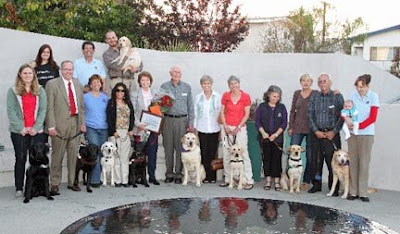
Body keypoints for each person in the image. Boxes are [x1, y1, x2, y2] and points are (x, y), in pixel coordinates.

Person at [6, 64, 47, 198]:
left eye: (30, 73)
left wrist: (35, 127)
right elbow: (11, 112)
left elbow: (42, 111)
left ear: (34, 75)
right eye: (25, 73)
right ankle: (19, 188)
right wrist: (21, 128)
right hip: (20, 132)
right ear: (20, 75)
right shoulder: (13, 91)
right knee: (21, 158)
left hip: (37, 131)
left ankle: (39, 188)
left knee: (38, 159)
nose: (27, 76)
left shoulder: (40, 90)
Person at [46, 60, 86, 194]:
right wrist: (51, 126)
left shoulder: (77, 84)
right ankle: (54, 183)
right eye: (65, 69)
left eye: (70, 69)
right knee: (57, 155)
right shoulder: (52, 84)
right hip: (59, 126)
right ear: (61, 70)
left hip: (75, 124)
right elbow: (49, 107)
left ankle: (72, 182)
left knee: (73, 155)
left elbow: (81, 107)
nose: (68, 72)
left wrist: (82, 124)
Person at [308, 73, 344, 194]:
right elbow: (310, 116)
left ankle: (333, 188)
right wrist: (316, 131)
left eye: (325, 81)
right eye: (320, 82)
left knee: (332, 162)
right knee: (316, 162)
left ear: (330, 82)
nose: (323, 84)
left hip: (332, 136)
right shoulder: (314, 97)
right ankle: (316, 184)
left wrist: (334, 131)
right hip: (317, 135)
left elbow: (342, 116)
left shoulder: (337, 97)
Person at [346, 74, 379, 202]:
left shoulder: (373, 96)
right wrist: (347, 120)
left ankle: (363, 192)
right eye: (358, 86)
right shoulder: (353, 96)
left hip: (366, 134)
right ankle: (353, 192)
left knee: (364, 163)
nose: (360, 89)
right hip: (352, 134)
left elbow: (372, 117)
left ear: (368, 86)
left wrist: (358, 126)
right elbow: (347, 111)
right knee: (353, 162)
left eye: (362, 86)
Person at [160, 65, 194, 184]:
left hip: (182, 121)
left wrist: (191, 124)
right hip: (168, 120)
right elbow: (159, 104)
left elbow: (191, 107)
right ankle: (169, 173)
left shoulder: (186, 87)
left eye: (178, 72)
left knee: (181, 148)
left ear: (181, 74)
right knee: (168, 147)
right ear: (170, 73)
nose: (176, 74)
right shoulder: (164, 86)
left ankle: (179, 174)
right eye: (174, 72)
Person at [219, 75, 254, 190]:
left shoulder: (245, 96)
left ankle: (249, 180)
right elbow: (222, 112)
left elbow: (247, 114)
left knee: (243, 153)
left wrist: (238, 127)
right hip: (226, 128)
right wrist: (225, 126)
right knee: (226, 152)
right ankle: (228, 179)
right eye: (231, 84)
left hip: (240, 128)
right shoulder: (226, 96)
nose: (234, 86)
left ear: (239, 84)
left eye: (236, 83)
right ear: (229, 85)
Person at [288, 74, 318, 190]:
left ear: (311, 82)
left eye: (308, 81)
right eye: (303, 81)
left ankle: (305, 181)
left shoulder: (315, 93)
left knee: (310, 156)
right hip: (297, 128)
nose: (305, 83)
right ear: (300, 82)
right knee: (292, 152)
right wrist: (290, 126)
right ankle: (289, 180)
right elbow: (292, 111)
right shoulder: (297, 93)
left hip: (311, 129)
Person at [255, 85, 287, 191]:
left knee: (277, 160)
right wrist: (263, 133)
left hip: (277, 139)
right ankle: (268, 180)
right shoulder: (262, 106)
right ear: (268, 95)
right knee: (267, 159)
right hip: (265, 137)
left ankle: (277, 181)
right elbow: (258, 121)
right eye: (274, 96)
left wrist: (276, 135)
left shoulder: (282, 107)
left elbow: (284, 123)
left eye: (278, 97)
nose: (276, 98)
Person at [131, 71, 160, 185]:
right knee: (140, 152)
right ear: (139, 82)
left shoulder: (156, 94)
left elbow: (159, 110)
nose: (145, 82)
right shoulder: (134, 94)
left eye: (147, 80)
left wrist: (158, 122)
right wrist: (139, 125)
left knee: (152, 152)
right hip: (140, 128)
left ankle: (152, 176)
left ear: (150, 81)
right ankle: (139, 177)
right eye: (142, 80)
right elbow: (132, 112)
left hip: (153, 129)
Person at [194, 75, 221, 183]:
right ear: (201, 85)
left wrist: (221, 129)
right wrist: (195, 129)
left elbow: (220, 113)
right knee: (204, 153)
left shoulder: (217, 96)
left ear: (211, 84)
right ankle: (205, 175)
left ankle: (212, 176)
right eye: (204, 83)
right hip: (202, 128)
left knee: (212, 152)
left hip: (214, 128)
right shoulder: (198, 97)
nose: (206, 85)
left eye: (208, 83)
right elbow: (196, 113)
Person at [106, 82, 135, 187]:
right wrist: (113, 131)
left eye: (122, 91)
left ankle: (125, 180)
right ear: (115, 91)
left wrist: (131, 129)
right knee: (116, 157)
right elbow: (109, 118)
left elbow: (132, 117)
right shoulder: (111, 103)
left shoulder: (128, 103)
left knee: (124, 157)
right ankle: (117, 180)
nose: (120, 92)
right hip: (115, 132)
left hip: (126, 132)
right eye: (118, 90)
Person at [84, 74, 109, 187]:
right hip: (91, 127)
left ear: (101, 84)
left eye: (98, 82)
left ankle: (102, 178)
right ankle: (94, 180)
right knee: (94, 152)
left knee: (102, 153)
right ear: (90, 84)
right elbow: (81, 112)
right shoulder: (85, 97)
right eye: (93, 82)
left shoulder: (106, 97)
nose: (96, 84)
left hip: (104, 128)